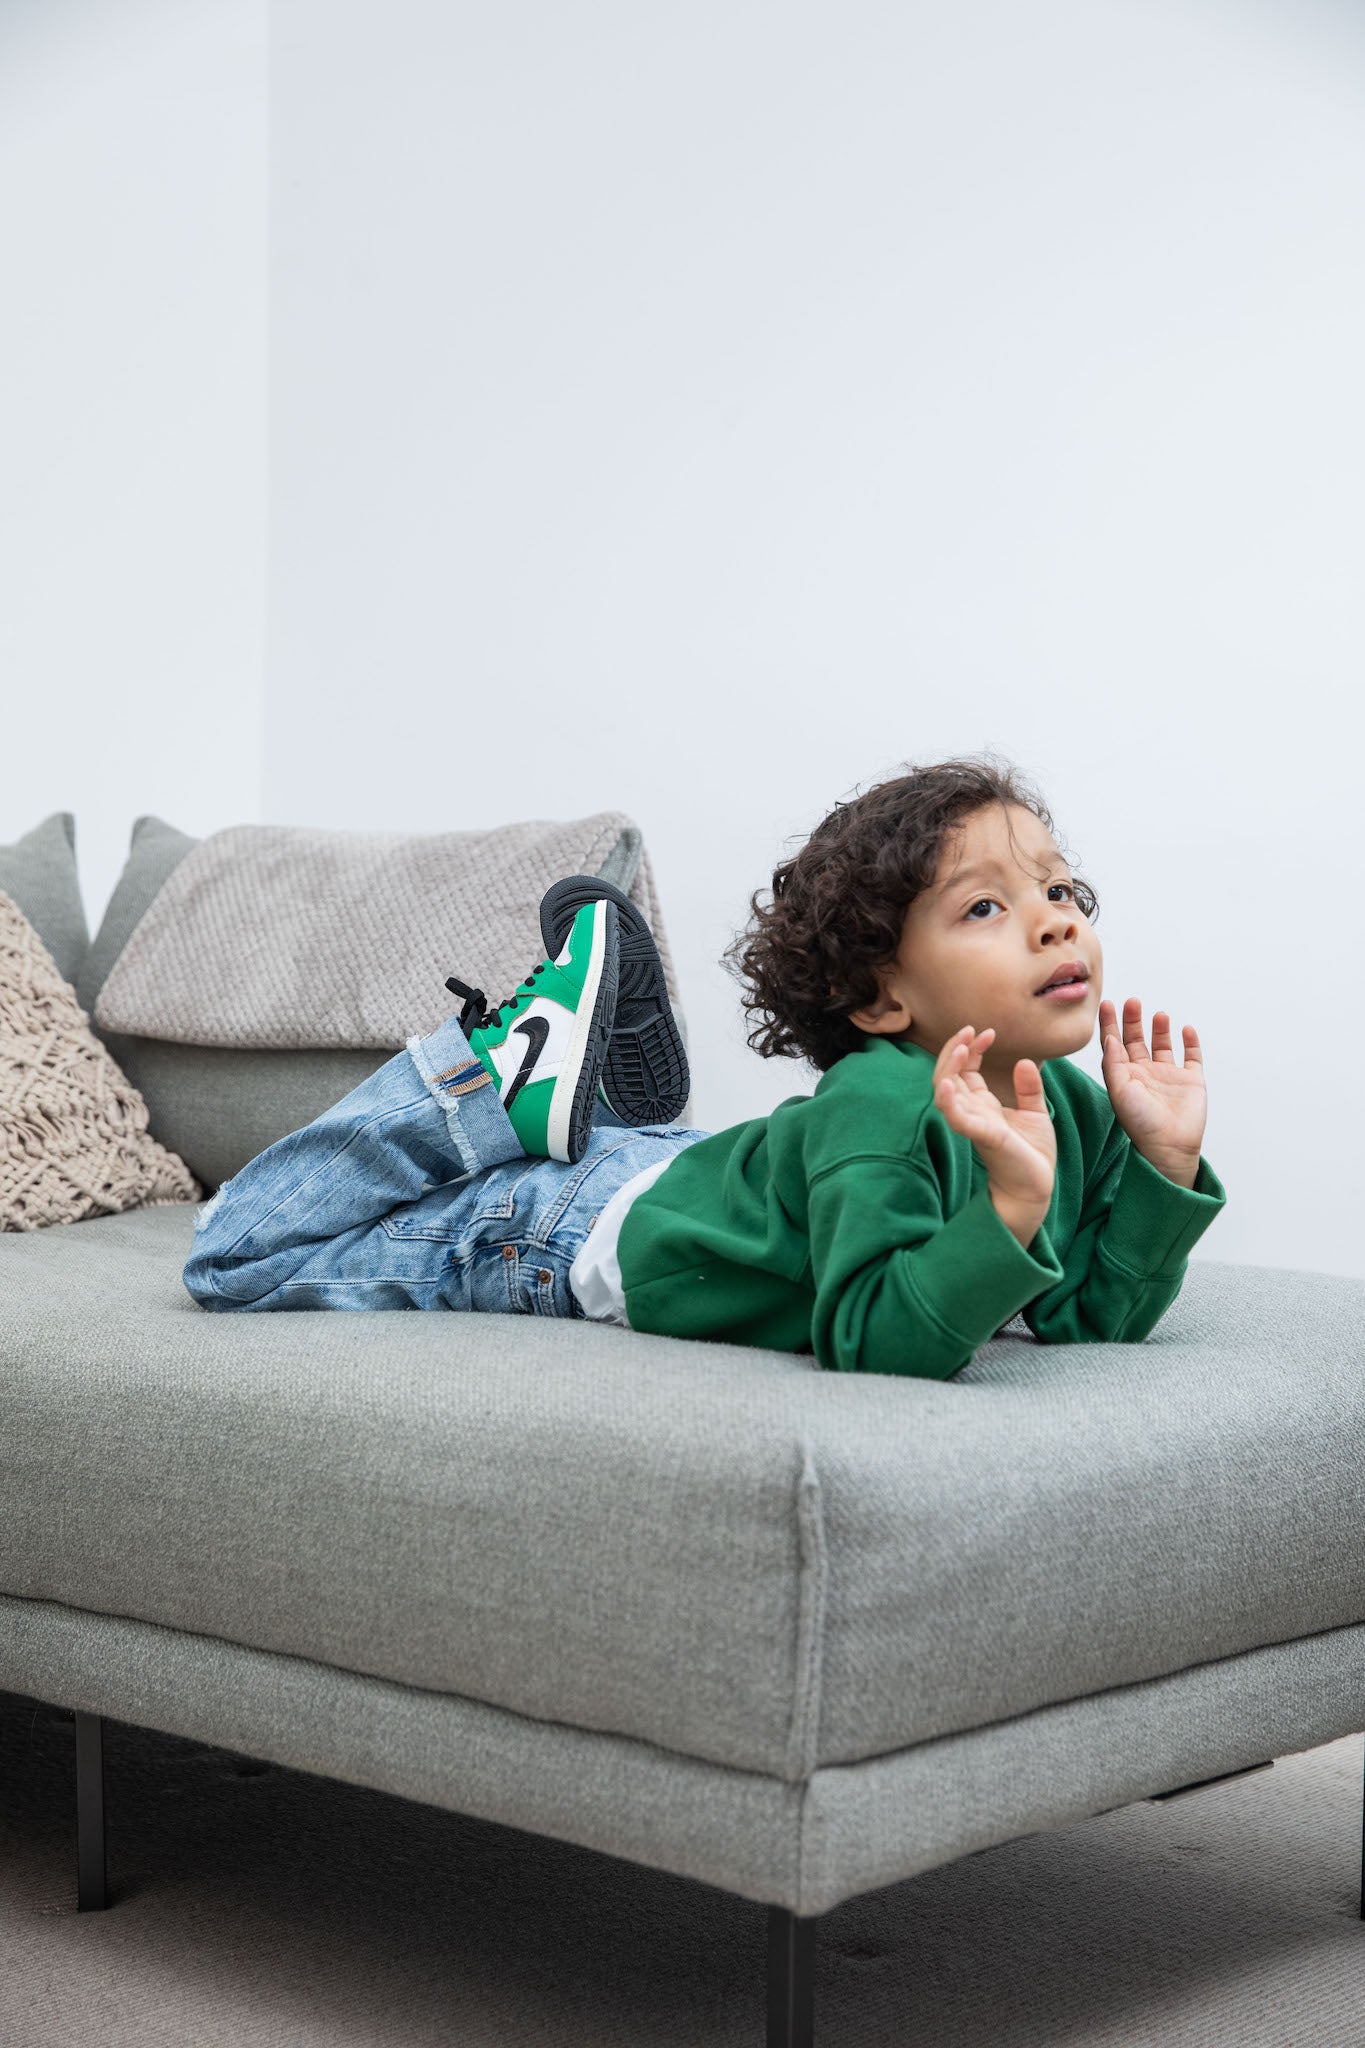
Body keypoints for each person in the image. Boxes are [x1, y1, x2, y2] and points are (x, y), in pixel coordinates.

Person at [182, 753, 1226, 1377]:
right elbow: (877, 1340)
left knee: (292, 1241)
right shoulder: (878, 1104)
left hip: (683, 1172)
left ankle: (571, 1107)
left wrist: (1162, 1167)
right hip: (559, 1236)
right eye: (987, 907)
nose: (1052, 923)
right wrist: (1002, 1211)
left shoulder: (1074, 1111)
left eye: (1058, 891)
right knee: (233, 1256)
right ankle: (484, 1085)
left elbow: (1090, 1318)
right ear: (879, 998)